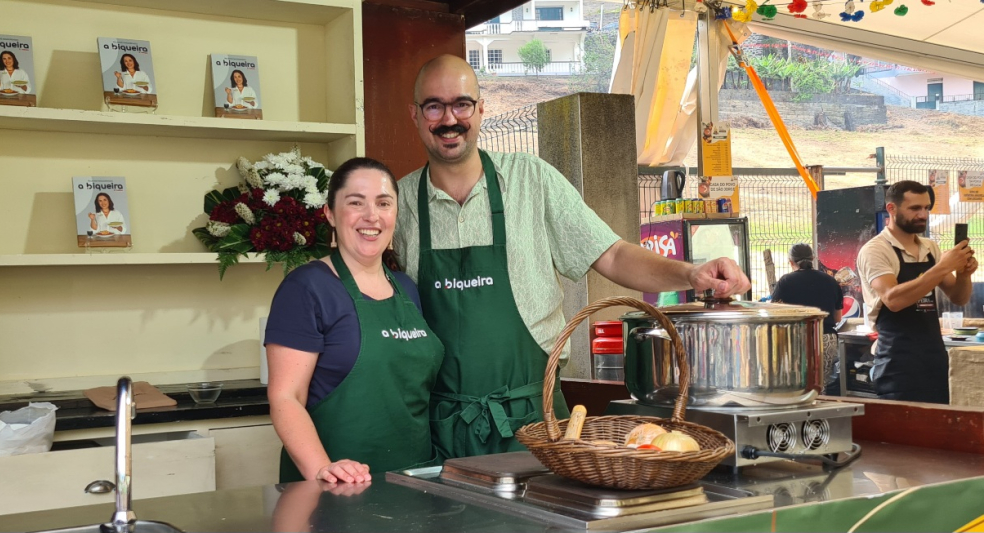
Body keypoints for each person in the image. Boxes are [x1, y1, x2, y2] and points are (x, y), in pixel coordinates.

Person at [394, 54, 751, 459]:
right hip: (439, 427)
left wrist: (691, 274)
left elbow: (613, 255)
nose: (449, 119)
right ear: (415, 114)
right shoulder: (397, 203)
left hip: (535, 419)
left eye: (461, 104)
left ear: (480, 109)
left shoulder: (531, 180)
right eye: (434, 106)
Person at [266, 157, 445, 483]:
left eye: (383, 203)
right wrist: (322, 469)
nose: (371, 215)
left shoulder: (406, 288)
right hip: (337, 489)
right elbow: (285, 397)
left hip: (414, 478)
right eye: (355, 203)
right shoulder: (305, 288)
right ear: (330, 214)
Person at [857, 180, 976, 404]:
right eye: (915, 208)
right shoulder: (875, 250)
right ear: (891, 209)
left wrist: (963, 274)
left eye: (926, 208)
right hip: (897, 364)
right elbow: (893, 299)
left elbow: (959, 298)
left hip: (934, 358)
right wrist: (942, 267)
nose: (923, 215)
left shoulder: (929, 247)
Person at [770, 243, 844, 394]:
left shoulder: (785, 282)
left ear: (791, 262)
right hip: (825, 338)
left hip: (795, 338)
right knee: (819, 386)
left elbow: (775, 313)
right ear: (813, 258)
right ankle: (820, 416)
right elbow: (837, 318)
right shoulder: (830, 281)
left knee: (796, 386)